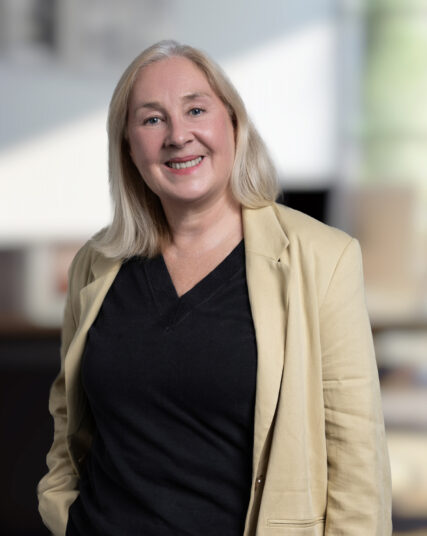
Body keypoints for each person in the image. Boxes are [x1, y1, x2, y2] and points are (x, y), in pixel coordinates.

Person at [38, 40, 392, 536]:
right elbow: (68, 418)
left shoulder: (323, 258)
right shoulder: (96, 264)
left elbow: (356, 460)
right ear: (128, 145)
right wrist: (64, 512)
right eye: (152, 119)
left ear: (232, 123)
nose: (179, 136)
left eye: (196, 109)